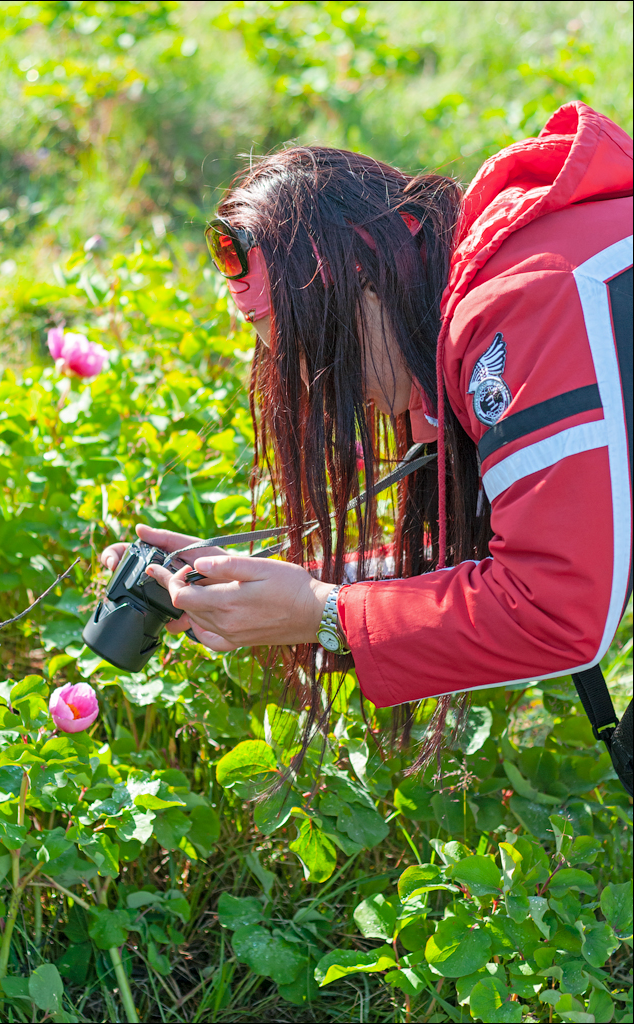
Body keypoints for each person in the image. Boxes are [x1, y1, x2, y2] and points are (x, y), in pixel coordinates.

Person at [102, 102, 632, 750]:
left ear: (370, 282)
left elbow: (555, 610)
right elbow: (492, 567)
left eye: (311, 350)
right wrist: (273, 587)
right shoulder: (477, 289)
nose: (308, 386)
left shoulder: (520, 308)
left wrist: (323, 613)